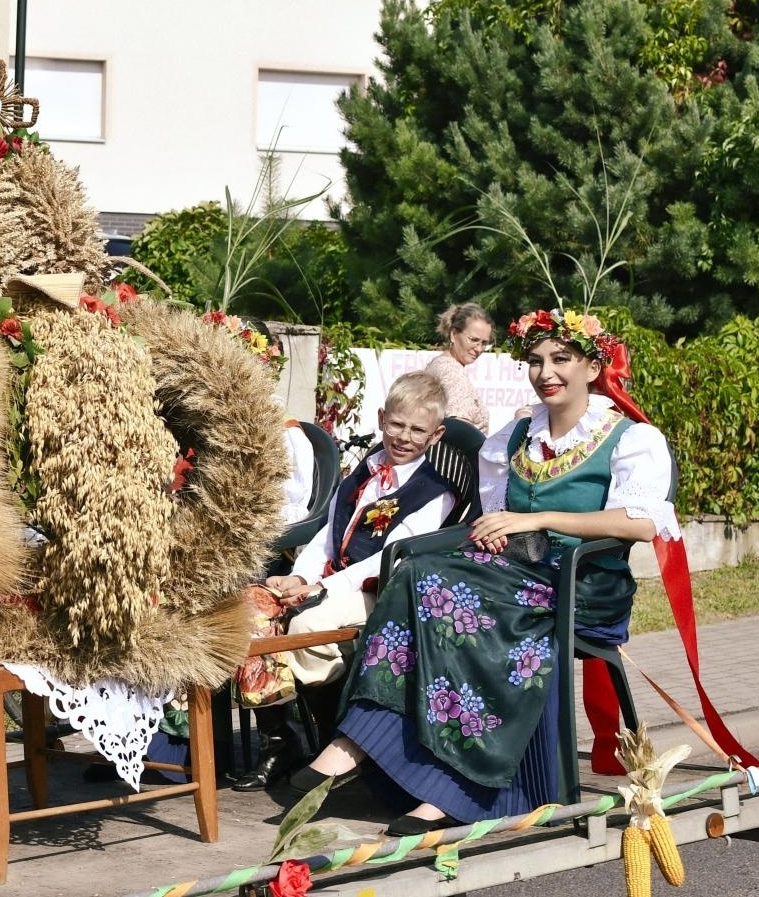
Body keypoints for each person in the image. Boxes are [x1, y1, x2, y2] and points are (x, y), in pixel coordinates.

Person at [291, 308, 679, 835]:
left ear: (592, 366)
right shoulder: (515, 437)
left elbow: (636, 523)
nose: (546, 373)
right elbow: (491, 518)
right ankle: (364, 739)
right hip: (516, 569)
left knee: (458, 600)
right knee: (413, 572)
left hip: (581, 583)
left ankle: (460, 789)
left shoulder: (631, 438)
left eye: (561, 359)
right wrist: (495, 529)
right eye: (536, 361)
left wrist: (535, 517)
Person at [230, 372, 458, 791]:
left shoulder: (433, 493)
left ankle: (341, 730)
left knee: (303, 626)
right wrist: (299, 574)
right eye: (397, 424)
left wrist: (319, 590)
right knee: (247, 610)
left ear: (436, 435)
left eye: (417, 430)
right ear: (381, 418)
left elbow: (392, 558)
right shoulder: (364, 472)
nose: (404, 437)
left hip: (378, 591)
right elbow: (326, 535)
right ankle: (280, 739)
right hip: (325, 582)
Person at [423, 302, 493, 433]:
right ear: (453, 334)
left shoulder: (440, 364)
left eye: (484, 343)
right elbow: (460, 429)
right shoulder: (450, 371)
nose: (479, 348)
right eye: (473, 339)